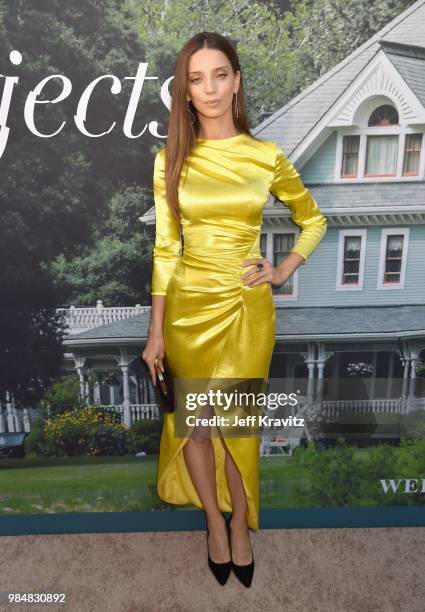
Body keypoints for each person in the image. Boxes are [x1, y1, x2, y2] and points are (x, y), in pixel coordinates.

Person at [142, 31, 327, 587]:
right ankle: (214, 527)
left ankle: (241, 523)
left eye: (220, 74)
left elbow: (314, 220)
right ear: (186, 90)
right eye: (197, 78)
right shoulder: (171, 160)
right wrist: (156, 333)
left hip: (246, 311)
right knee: (198, 429)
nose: (211, 88)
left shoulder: (264, 157)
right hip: (187, 312)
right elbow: (165, 250)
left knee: (237, 429)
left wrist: (282, 268)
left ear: (237, 80)